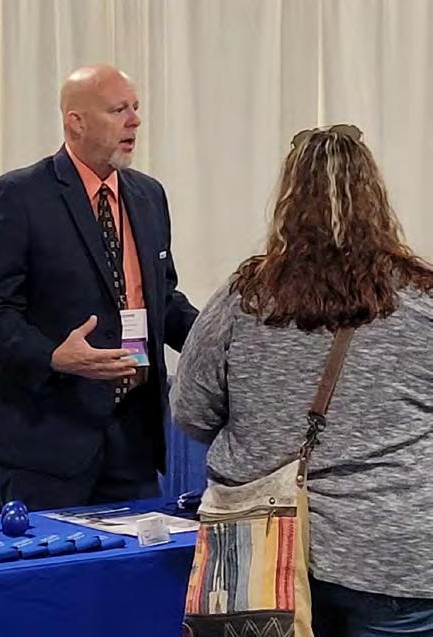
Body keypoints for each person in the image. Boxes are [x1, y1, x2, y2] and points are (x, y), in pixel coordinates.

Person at [171, 125, 433, 635]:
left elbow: (190, 411)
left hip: (263, 552)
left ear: (288, 200)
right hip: (395, 555)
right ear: (377, 198)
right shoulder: (423, 300)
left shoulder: (244, 299)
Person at [0, 64, 197, 511]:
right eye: (118, 110)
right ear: (76, 122)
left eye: (135, 108)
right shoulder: (18, 196)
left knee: (135, 557)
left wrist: (222, 340)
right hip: (48, 443)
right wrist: (54, 355)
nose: (135, 121)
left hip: (133, 440)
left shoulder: (149, 196)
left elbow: (163, 300)